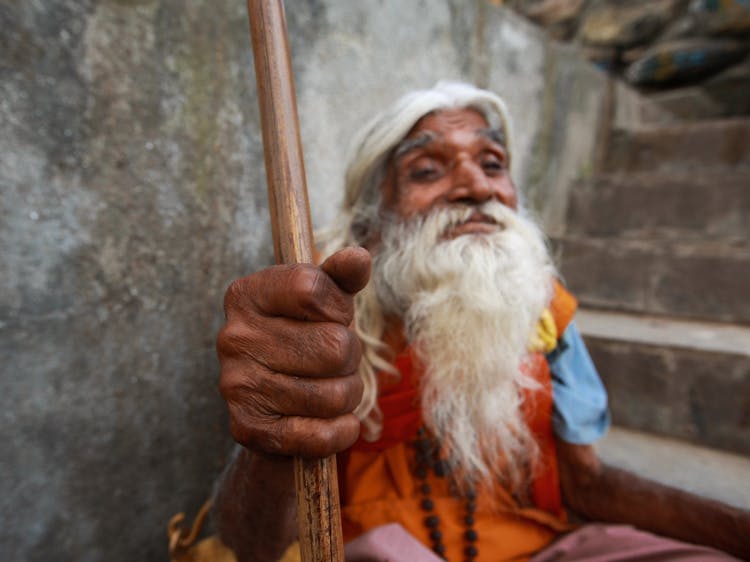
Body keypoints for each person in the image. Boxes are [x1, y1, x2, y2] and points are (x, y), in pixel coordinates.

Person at [210, 82, 749, 562]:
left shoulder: (542, 313)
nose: (476, 186)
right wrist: (277, 435)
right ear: (373, 218)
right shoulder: (327, 325)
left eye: (492, 163)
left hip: (539, 545)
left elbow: (586, 483)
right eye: (426, 170)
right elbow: (253, 547)